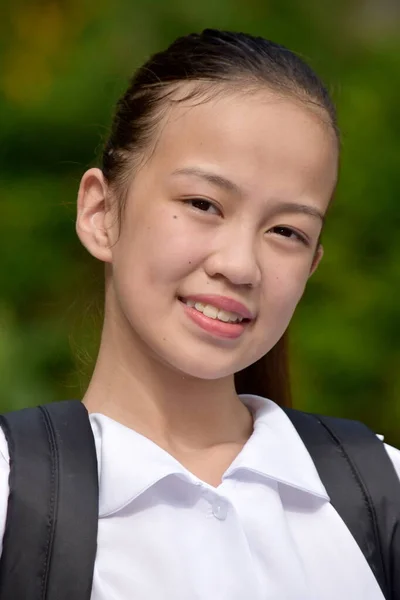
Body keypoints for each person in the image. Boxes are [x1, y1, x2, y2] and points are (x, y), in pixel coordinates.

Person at [0, 29, 399, 599]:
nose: (240, 266)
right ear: (100, 211)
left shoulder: (380, 493)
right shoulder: (13, 494)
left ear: (312, 265)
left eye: (286, 231)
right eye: (202, 204)